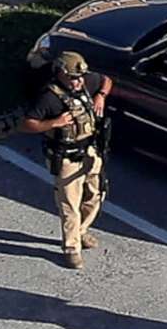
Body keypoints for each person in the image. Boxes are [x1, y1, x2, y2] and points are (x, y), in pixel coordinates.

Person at [16, 50, 110, 269]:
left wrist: (101, 95)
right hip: (66, 158)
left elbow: (106, 80)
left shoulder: (87, 81)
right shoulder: (48, 98)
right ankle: (71, 248)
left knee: (96, 194)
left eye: (79, 77)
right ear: (60, 73)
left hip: (89, 152)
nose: (78, 82)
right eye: (72, 77)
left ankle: (81, 231)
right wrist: (54, 123)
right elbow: (26, 124)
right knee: (69, 204)